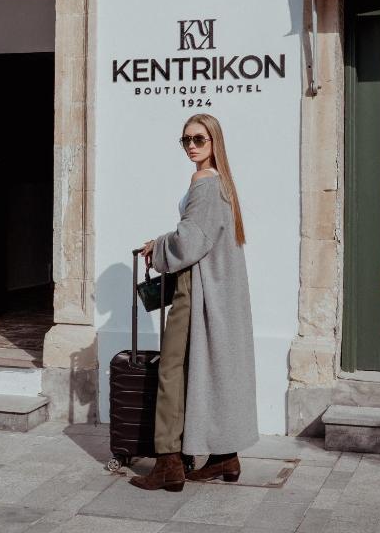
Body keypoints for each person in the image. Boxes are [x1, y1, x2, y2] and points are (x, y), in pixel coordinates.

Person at [129, 113, 259, 492]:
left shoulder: (204, 182)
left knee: (171, 369)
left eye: (199, 139)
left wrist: (158, 246)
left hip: (194, 286)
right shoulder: (223, 184)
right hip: (216, 287)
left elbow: (190, 241)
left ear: (214, 142)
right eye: (185, 139)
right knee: (211, 368)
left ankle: (168, 462)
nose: (191, 146)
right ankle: (224, 457)